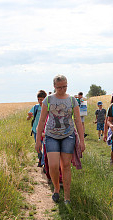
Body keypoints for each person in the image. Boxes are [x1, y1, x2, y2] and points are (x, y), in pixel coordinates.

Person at [35, 75, 85, 204]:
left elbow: (78, 121)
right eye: (59, 87)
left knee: (66, 165)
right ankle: (56, 188)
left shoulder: (72, 100)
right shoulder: (49, 100)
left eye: (65, 86)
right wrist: (38, 140)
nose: (62, 89)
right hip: (51, 135)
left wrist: (82, 140)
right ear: (54, 87)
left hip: (68, 135)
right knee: (53, 165)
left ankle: (67, 196)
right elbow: (41, 120)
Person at [27, 90, 47, 167]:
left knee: (45, 148)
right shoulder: (35, 107)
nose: (39, 101)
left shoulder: (48, 107)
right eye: (38, 99)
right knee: (38, 147)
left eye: (41, 99)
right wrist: (29, 116)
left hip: (45, 131)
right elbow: (28, 118)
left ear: (45, 99)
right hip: (36, 130)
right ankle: (40, 158)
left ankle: (44, 163)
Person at [103, 92, 113, 164]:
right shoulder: (111, 108)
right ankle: (112, 159)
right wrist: (105, 134)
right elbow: (107, 121)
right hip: (112, 131)